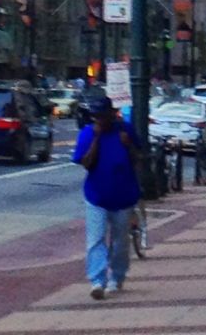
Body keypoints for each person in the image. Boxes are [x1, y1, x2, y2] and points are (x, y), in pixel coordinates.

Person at [72, 95, 141, 300]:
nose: (100, 120)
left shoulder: (125, 129)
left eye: (103, 116)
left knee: (120, 241)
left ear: (112, 114)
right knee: (96, 239)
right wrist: (95, 139)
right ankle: (97, 280)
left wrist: (128, 145)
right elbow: (85, 162)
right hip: (96, 195)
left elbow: (139, 156)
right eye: (96, 117)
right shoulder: (88, 133)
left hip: (124, 195)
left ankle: (117, 276)